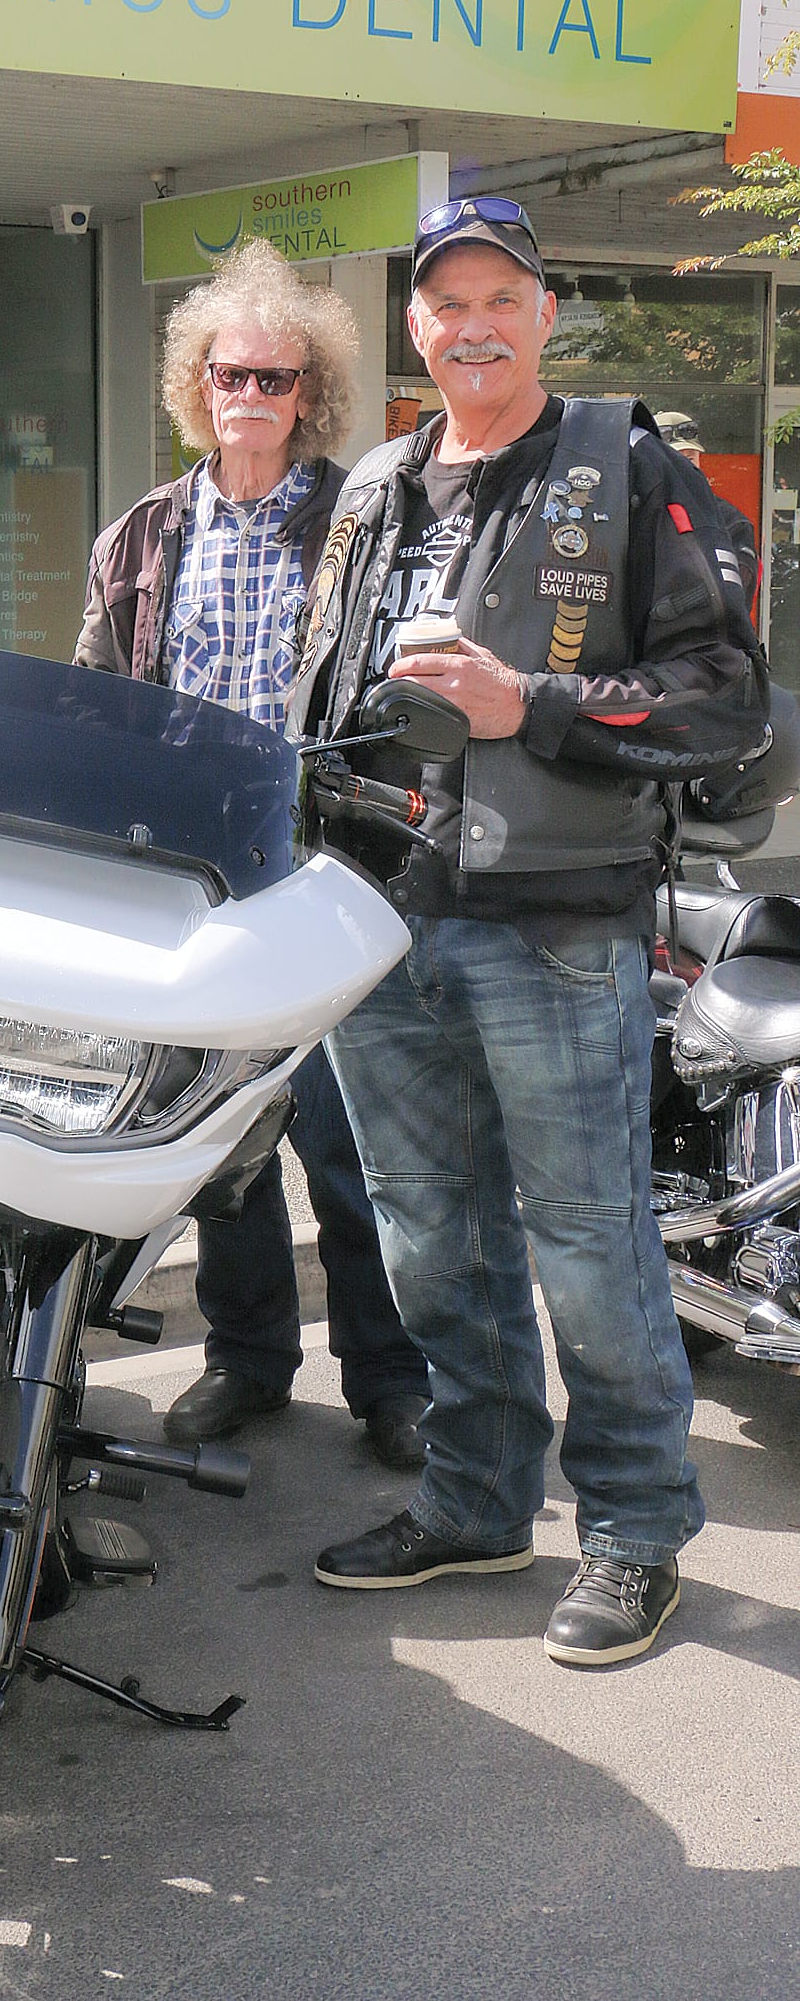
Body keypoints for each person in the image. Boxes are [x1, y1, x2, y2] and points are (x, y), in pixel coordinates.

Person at [291, 195, 768, 1664]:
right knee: (432, 1240)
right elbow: (323, 690)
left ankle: (632, 1530)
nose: (474, 323)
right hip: (387, 915)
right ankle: (478, 1495)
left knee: (587, 1244)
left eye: (503, 295)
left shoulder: (629, 467)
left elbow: (726, 697)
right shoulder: (374, 483)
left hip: (558, 923)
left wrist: (531, 706)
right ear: (415, 326)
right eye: (447, 302)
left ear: (545, 313)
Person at [75, 239, 430, 1469]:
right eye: (233, 375)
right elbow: (98, 700)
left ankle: (391, 1380)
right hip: (194, 879)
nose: (252, 398)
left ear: (310, 395)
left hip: (327, 875)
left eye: (277, 380)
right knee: (225, 1146)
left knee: (347, 1148)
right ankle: (248, 1363)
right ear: (197, 385)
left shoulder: (365, 523)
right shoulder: (140, 535)